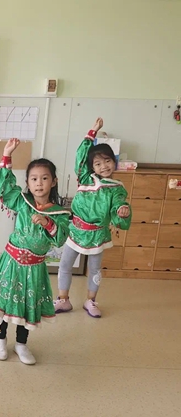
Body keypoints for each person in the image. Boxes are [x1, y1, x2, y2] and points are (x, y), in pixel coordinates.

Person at [0, 138, 70, 365]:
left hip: (34, 268)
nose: (39, 183)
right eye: (34, 179)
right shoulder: (22, 202)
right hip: (11, 263)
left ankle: (21, 344)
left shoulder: (60, 213)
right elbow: (5, 190)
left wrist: (48, 223)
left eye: (44, 178)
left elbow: (60, 238)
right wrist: (7, 156)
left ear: (54, 181)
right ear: (28, 183)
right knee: (4, 304)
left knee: (26, 307)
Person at [55, 118, 131, 318]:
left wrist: (122, 211)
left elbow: (119, 205)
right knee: (65, 264)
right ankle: (63, 299)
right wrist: (92, 132)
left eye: (107, 161)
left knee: (95, 269)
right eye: (98, 163)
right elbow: (81, 157)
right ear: (92, 167)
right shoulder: (85, 178)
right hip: (76, 231)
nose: (103, 166)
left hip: (98, 234)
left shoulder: (117, 188)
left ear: (114, 161)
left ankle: (91, 300)